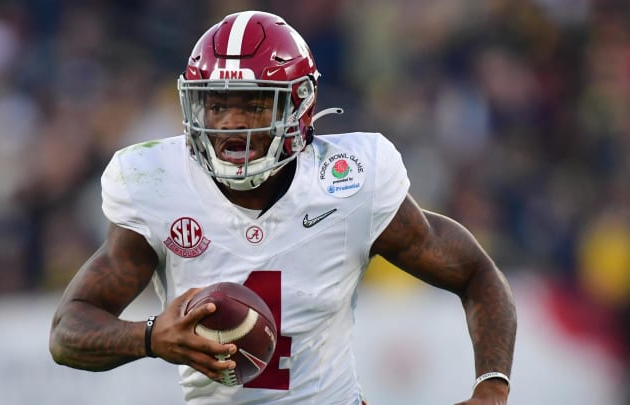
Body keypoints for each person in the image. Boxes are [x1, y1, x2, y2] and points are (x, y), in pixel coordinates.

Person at [49, 10, 516, 405]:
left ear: (300, 107)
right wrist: (149, 337)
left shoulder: (349, 182)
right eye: (215, 104)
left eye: (253, 104)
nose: (230, 124)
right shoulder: (156, 183)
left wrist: (491, 387)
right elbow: (68, 330)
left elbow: (477, 274)